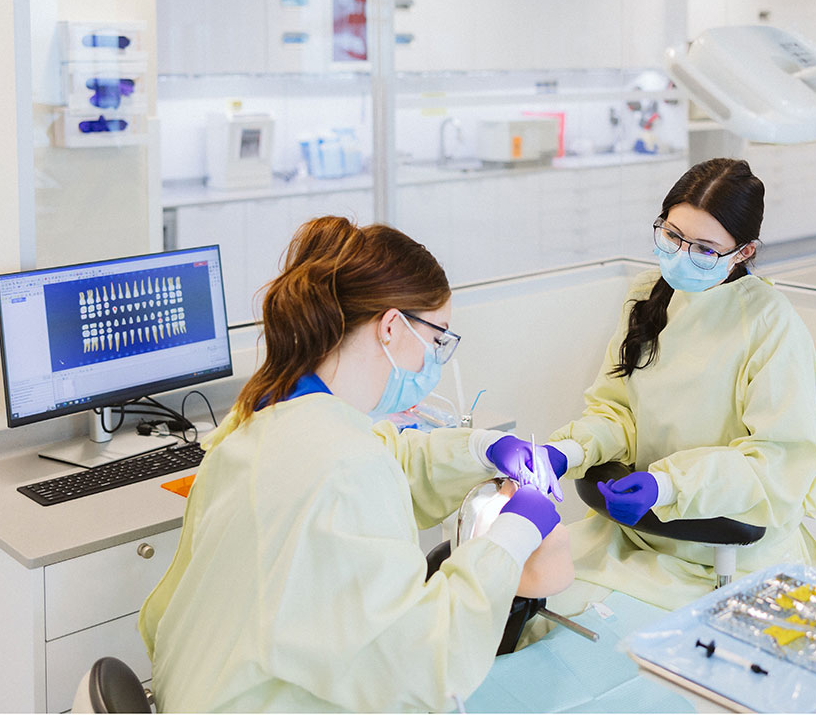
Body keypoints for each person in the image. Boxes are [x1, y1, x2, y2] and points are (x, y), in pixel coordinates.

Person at [138, 216, 563, 712]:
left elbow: (385, 459)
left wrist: (481, 450)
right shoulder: (344, 465)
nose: (437, 358)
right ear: (390, 326)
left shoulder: (263, 415)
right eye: (439, 338)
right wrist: (510, 539)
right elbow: (417, 666)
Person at [495, 157, 816, 612]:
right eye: (672, 236)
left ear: (744, 252)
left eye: (704, 248)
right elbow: (618, 413)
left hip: (724, 558)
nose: (680, 255)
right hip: (636, 536)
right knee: (521, 602)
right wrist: (568, 453)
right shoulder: (647, 294)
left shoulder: (771, 325)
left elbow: (777, 464)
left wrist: (668, 487)